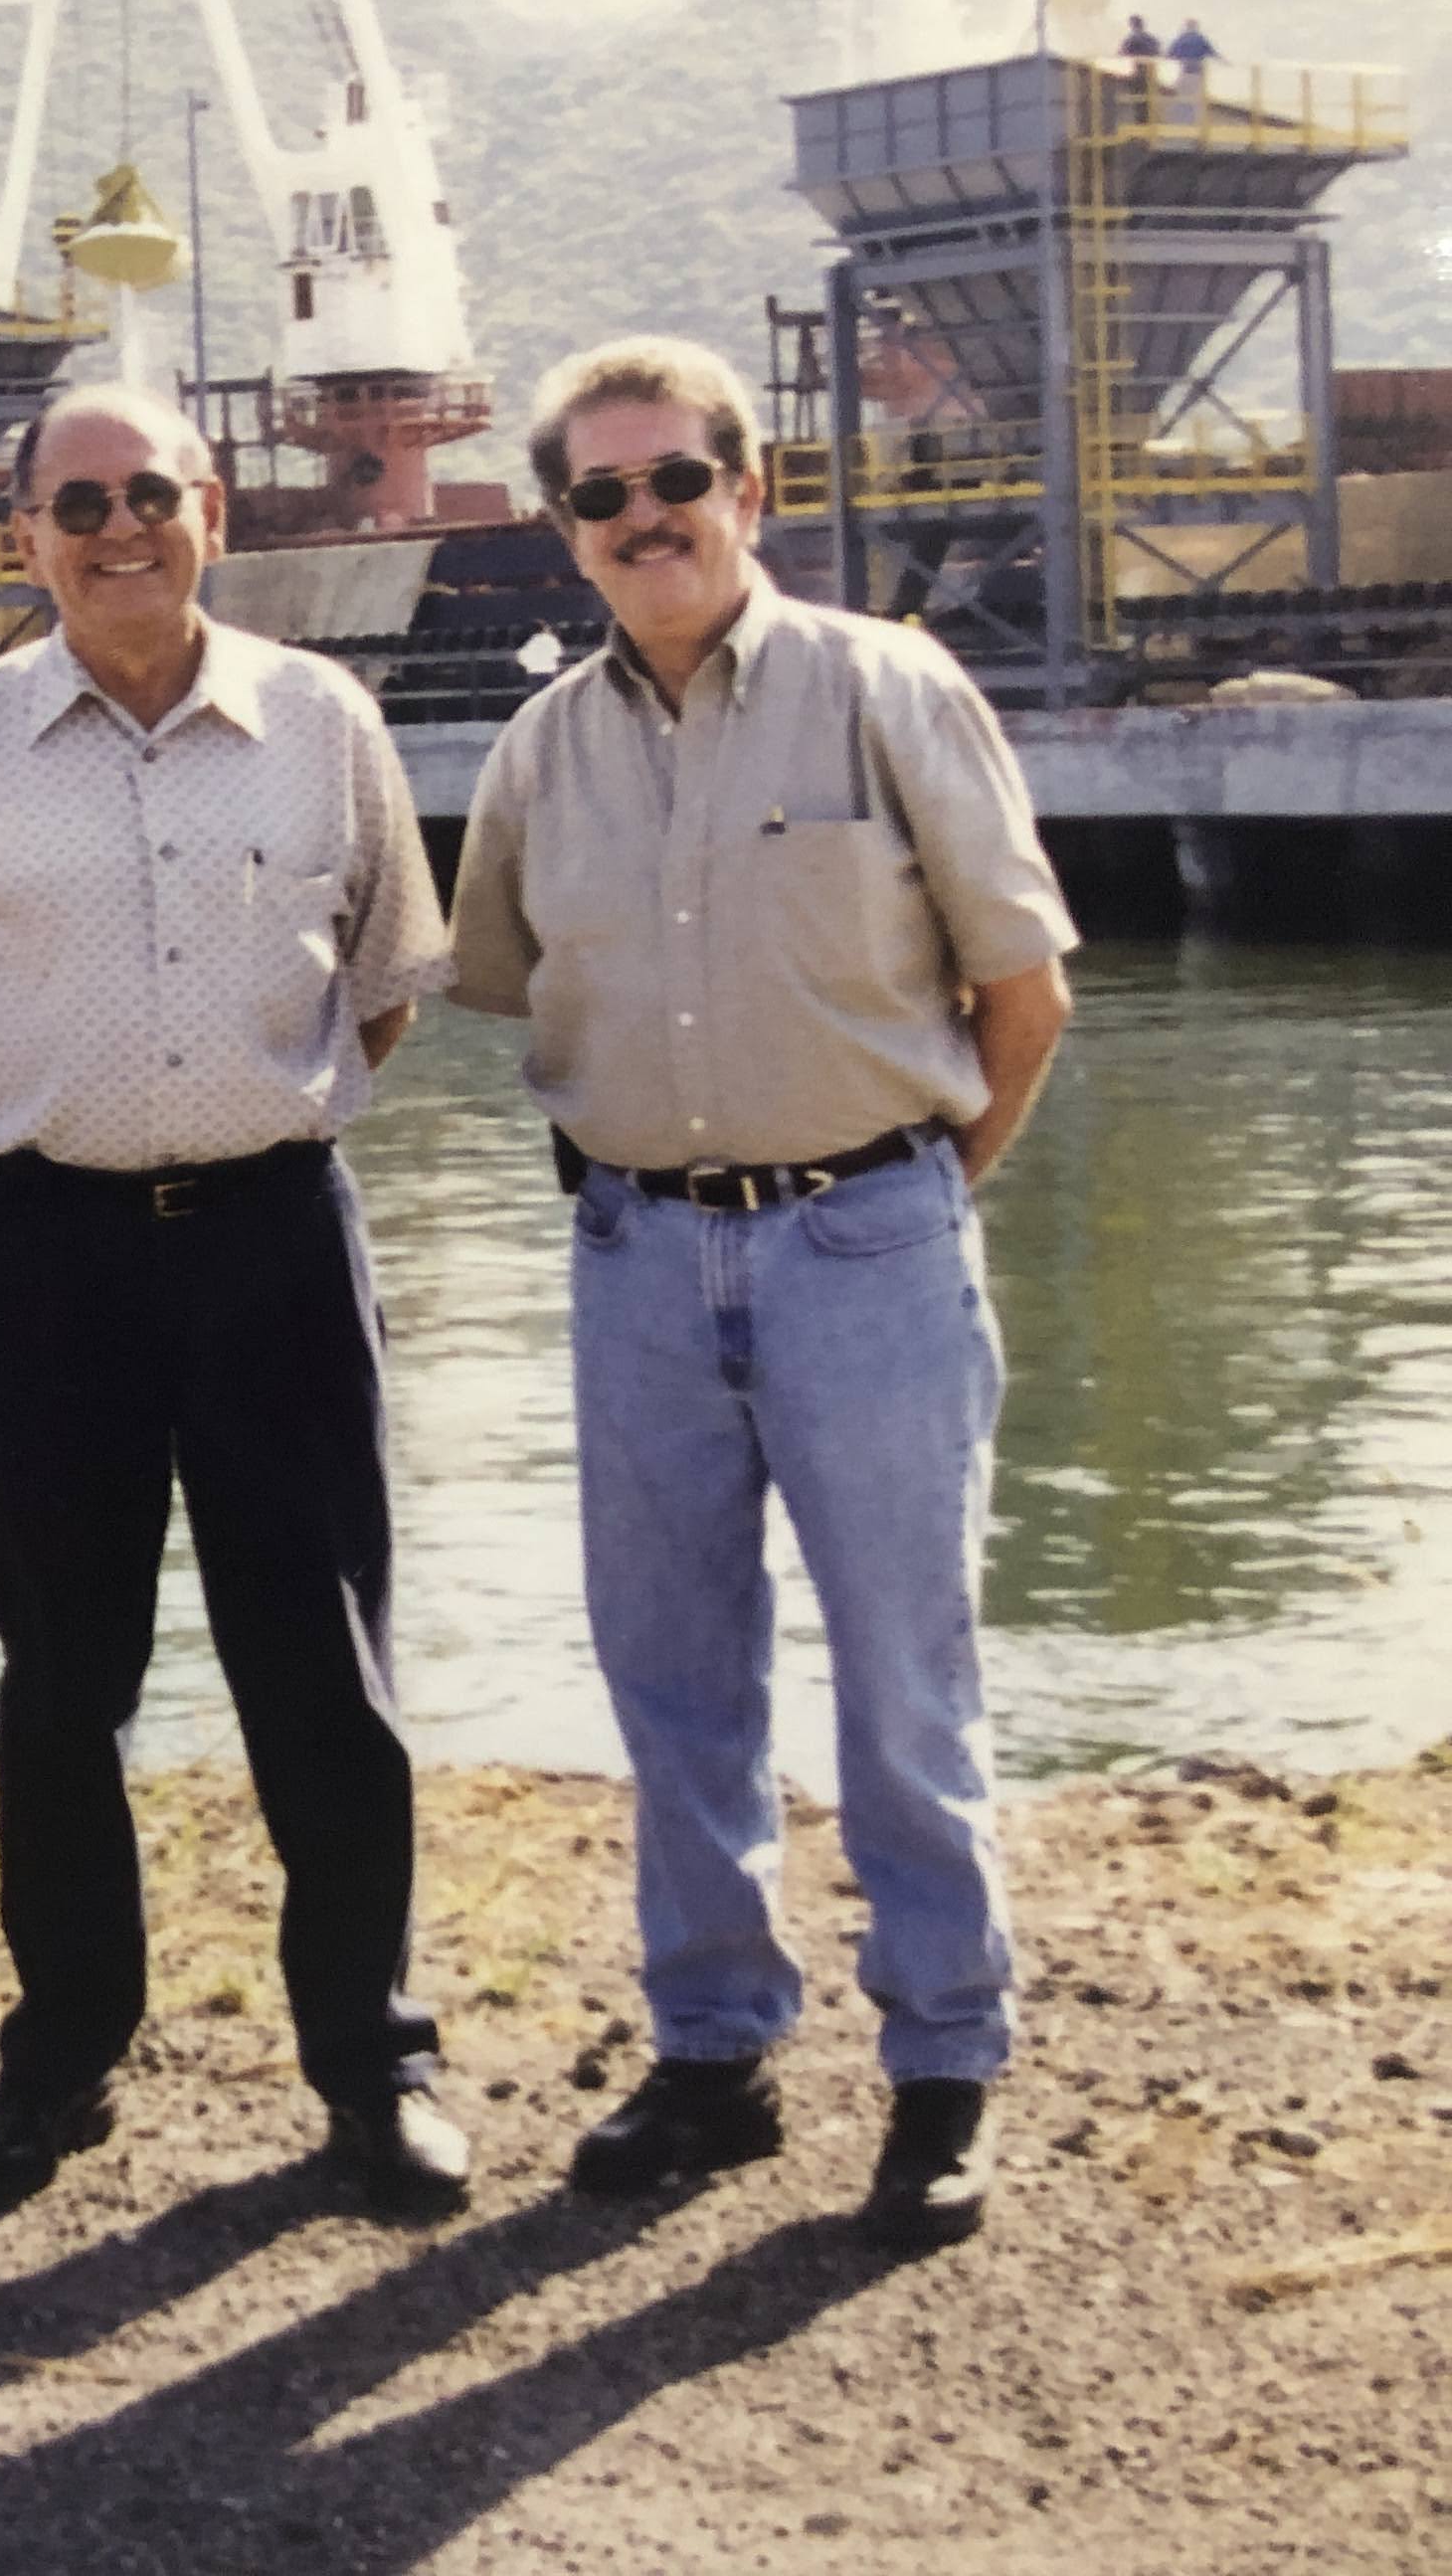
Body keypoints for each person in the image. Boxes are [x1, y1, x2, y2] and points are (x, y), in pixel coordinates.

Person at [449, 335, 1075, 2251]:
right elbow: (493, 983)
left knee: (905, 1677)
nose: (648, 520)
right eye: (604, 496)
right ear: (567, 534)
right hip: (637, 1252)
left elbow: (1023, 988)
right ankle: (714, 2050)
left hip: (865, 1239)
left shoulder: (890, 692)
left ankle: (942, 2062)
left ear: (752, 487)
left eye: (678, 480)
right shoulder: (540, 752)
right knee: (673, 1678)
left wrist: (899, 1197)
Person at [0, 382, 469, 2217]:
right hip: (43, 1260)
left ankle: (375, 2063)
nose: (121, 529)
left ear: (215, 509)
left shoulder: (322, 723)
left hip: (274, 1243)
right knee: (59, 1679)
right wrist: (68, 1143)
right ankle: (61, 2061)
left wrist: (217, 1135)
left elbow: (382, 990)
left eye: (154, 495)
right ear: (21, 531)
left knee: (324, 1675)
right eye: (80, 501)